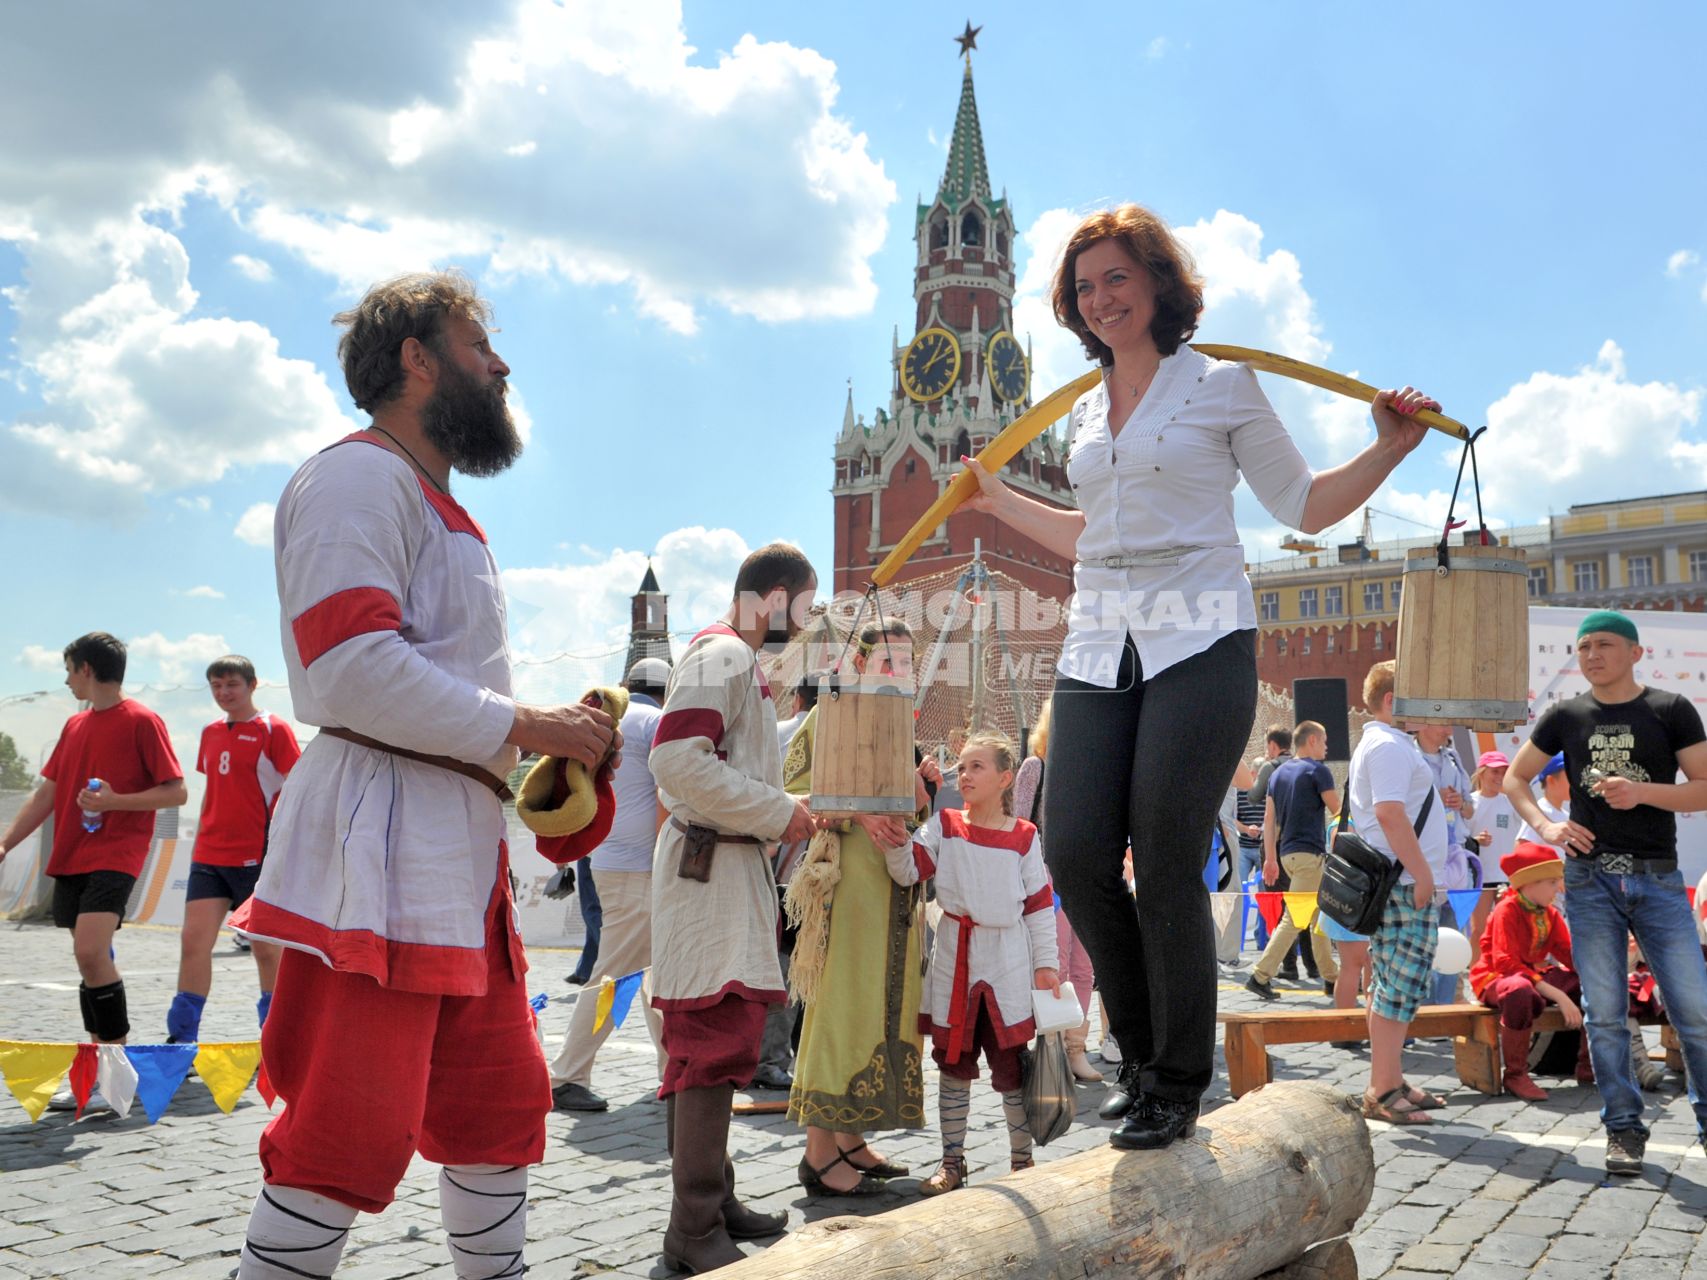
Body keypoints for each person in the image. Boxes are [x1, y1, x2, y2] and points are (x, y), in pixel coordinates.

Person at [961, 204, 1438, 1149]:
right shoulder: (1089, 408)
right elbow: (1088, 536)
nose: (1100, 300)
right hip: (1099, 643)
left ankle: (1177, 1078)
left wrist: (1387, 446)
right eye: (1084, 286)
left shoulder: (1222, 386)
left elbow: (1300, 503)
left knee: (1165, 853)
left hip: (1201, 637)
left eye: (1117, 279)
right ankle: (1138, 1054)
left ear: (1157, 284)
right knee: (1074, 853)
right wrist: (993, 496)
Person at [229, 271, 621, 1279]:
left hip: (451, 850)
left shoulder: (432, 499)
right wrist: (529, 720)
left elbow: (427, 679)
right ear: (418, 358)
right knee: (346, 1126)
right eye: (477, 344)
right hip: (382, 842)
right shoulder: (358, 476)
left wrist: (543, 746)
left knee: (496, 1106)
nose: (500, 364)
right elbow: (350, 665)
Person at [648, 542, 820, 1273]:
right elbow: (676, 761)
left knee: (719, 1037)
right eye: (804, 610)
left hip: (720, 861)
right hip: (709, 865)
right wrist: (782, 812)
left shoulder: (731, 659)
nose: (804, 627)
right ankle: (691, 1229)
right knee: (711, 1041)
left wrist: (776, 813)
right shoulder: (723, 656)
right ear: (776, 597)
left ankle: (712, 1201)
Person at [1504, 609, 1707, 1178]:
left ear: (1636, 653)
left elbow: (1704, 789)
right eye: (1585, 645)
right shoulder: (1566, 714)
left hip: (1658, 879)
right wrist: (1547, 828)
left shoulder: (1670, 709)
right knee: (1605, 1015)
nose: (1592, 654)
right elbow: (1517, 779)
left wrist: (1641, 791)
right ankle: (1623, 1128)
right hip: (1589, 883)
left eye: (1605, 644)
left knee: (1695, 1012)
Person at [0, 632, 185, 1105]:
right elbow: (46, 794)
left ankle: (115, 1076)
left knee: (90, 951)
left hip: (117, 854)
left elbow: (176, 791)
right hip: (71, 855)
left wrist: (114, 802)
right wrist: (5, 843)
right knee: (89, 962)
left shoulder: (143, 720)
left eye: (68, 670)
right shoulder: (74, 726)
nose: (65, 680)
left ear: (86, 668)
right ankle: (101, 1076)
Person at [781, 620, 933, 1195]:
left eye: (906, 659)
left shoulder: (900, 725)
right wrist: (857, 812)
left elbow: (908, 818)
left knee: (881, 1009)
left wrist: (920, 795)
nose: (898, 669)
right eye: (888, 658)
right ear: (862, 662)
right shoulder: (830, 714)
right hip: (847, 887)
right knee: (842, 1009)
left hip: (894, 893)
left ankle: (851, 1138)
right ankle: (818, 1153)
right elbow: (790, 788)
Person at [882, 731, 1060, 1193]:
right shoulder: (943, 823)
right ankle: (952, 1163)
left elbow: (1040, 906)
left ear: (1005, 779)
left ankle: (1023, 1163)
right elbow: (907, 870)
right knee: (953, 1064)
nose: (964, 774)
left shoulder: (1024, 837)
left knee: (1011, 1068)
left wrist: (1047, 965)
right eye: (961, 767)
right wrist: (892, 837)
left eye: (975, 766)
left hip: (1006, 962)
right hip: (955, 956)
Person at [547, 657, 670, 1113]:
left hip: (606, 861)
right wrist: (665, 859)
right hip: (642, 868)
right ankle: (566, 1074)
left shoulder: (611, 718)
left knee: (654, 973)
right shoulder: (656, 720)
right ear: (666, 689)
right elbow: (668, 792)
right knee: (614, 977)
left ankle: (672, 1069)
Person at [165, 655, 301, 1046]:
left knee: (266, 952)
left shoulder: (273, 729)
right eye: (216, 686)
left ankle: (276, 1040)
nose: (224, 693)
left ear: (252, 685)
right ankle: (182, 1040)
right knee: (193, 942)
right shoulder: (209, 732)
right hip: (209, 854)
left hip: (257, 856)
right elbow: (216, 788)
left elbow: (295, 787)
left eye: (232, 685)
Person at [1351, 661, 1450, 1125]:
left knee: (1393, 986)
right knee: (1398, 986)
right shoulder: (1389, 745)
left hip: (1400, 878)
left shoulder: (1388, 742)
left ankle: (1389, 1078)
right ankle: (1383, 1086)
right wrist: (1422, 873)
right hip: (1403, 881)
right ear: (1392, 701)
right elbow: (1391, 815)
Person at [1015, 701, 1101, 1081]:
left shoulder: (1091, 770)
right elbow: (1019, 824)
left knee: (1085, 966)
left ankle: (1076, 1048)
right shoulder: (1035, 767)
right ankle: (1051, 1048)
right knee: (1058, 965)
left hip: (1086, 874)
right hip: (1046, 875)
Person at [1468, 841, 1586, 1101]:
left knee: (1587, 983)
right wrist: (1559, 996)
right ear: (1531, 883)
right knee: (1520, 992)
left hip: (1532, 977)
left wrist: (1597, 972)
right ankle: (1515, 1074)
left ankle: (1589, 1065)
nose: (1558, 889)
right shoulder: (1506, 910)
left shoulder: (1550, 914)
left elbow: (1570, 955)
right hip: (1496, 979)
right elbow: (1505, 964)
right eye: (1552, 883)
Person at [1245, 721, 1340, 1000]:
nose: (1326, 747)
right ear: (1311, 740)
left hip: (1287, 854)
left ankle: (1331, 977)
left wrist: (1270, 860)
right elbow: (1338, 811)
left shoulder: (1278, 773)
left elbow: (1269, 820)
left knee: (1317, 917)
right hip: (1309, 855)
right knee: (1294, 919)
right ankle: (1260, 975)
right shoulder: (1317, 771)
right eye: (1323, 741)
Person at [1416, 725, 1476, 1004]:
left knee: (1453, 935)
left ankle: (1444, 1009)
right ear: (1424, 726)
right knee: (1422, 939)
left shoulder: (1453, 758)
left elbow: (1469, 809)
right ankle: (1424, 1009)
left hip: (1455, 860)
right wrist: (1434, 800)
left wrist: (1459, 802)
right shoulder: (1410, 756)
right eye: (1442, 723)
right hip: (1422, 859)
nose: (1448, 728)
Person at [1467, 750, 1519, 963]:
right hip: (1478, 876)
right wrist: (1475, 840)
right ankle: (1476, 974)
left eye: (1503, 773)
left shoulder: (1510, 803)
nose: (1499, 777)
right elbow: (1459, 837)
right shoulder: (1469, 803)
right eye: (1494, 772)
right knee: (1478, 929)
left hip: (1506, 877)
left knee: (1506, 928)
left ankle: (1504, 971)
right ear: (1481, 773)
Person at [1516, 752, 1572, 850]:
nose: (1574, 781)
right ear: (1551, 780)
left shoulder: (1567, 816)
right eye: (1569, 776)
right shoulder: (1539, 812)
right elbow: (1521, 849)